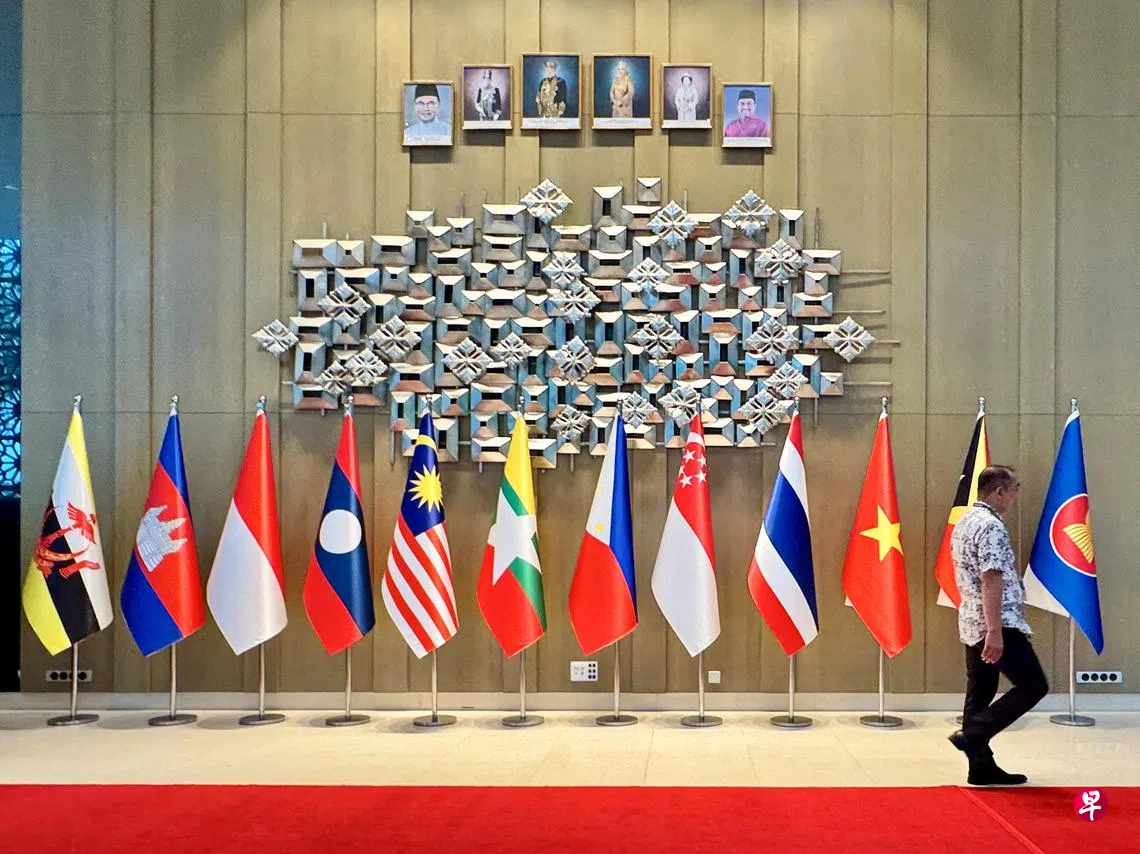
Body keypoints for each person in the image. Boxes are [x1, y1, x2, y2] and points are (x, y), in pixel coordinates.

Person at [948, 465, 1049, 786]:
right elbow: (991, 577)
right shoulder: (991, 526)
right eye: (1015, 489)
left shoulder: (966, 521)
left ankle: (981, 768)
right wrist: (994, 631)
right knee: (1033, 685)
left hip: (972, 620)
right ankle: (973, 734)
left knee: (980, 692)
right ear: (999, 491)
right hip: (997, 622)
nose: (1016, 496)